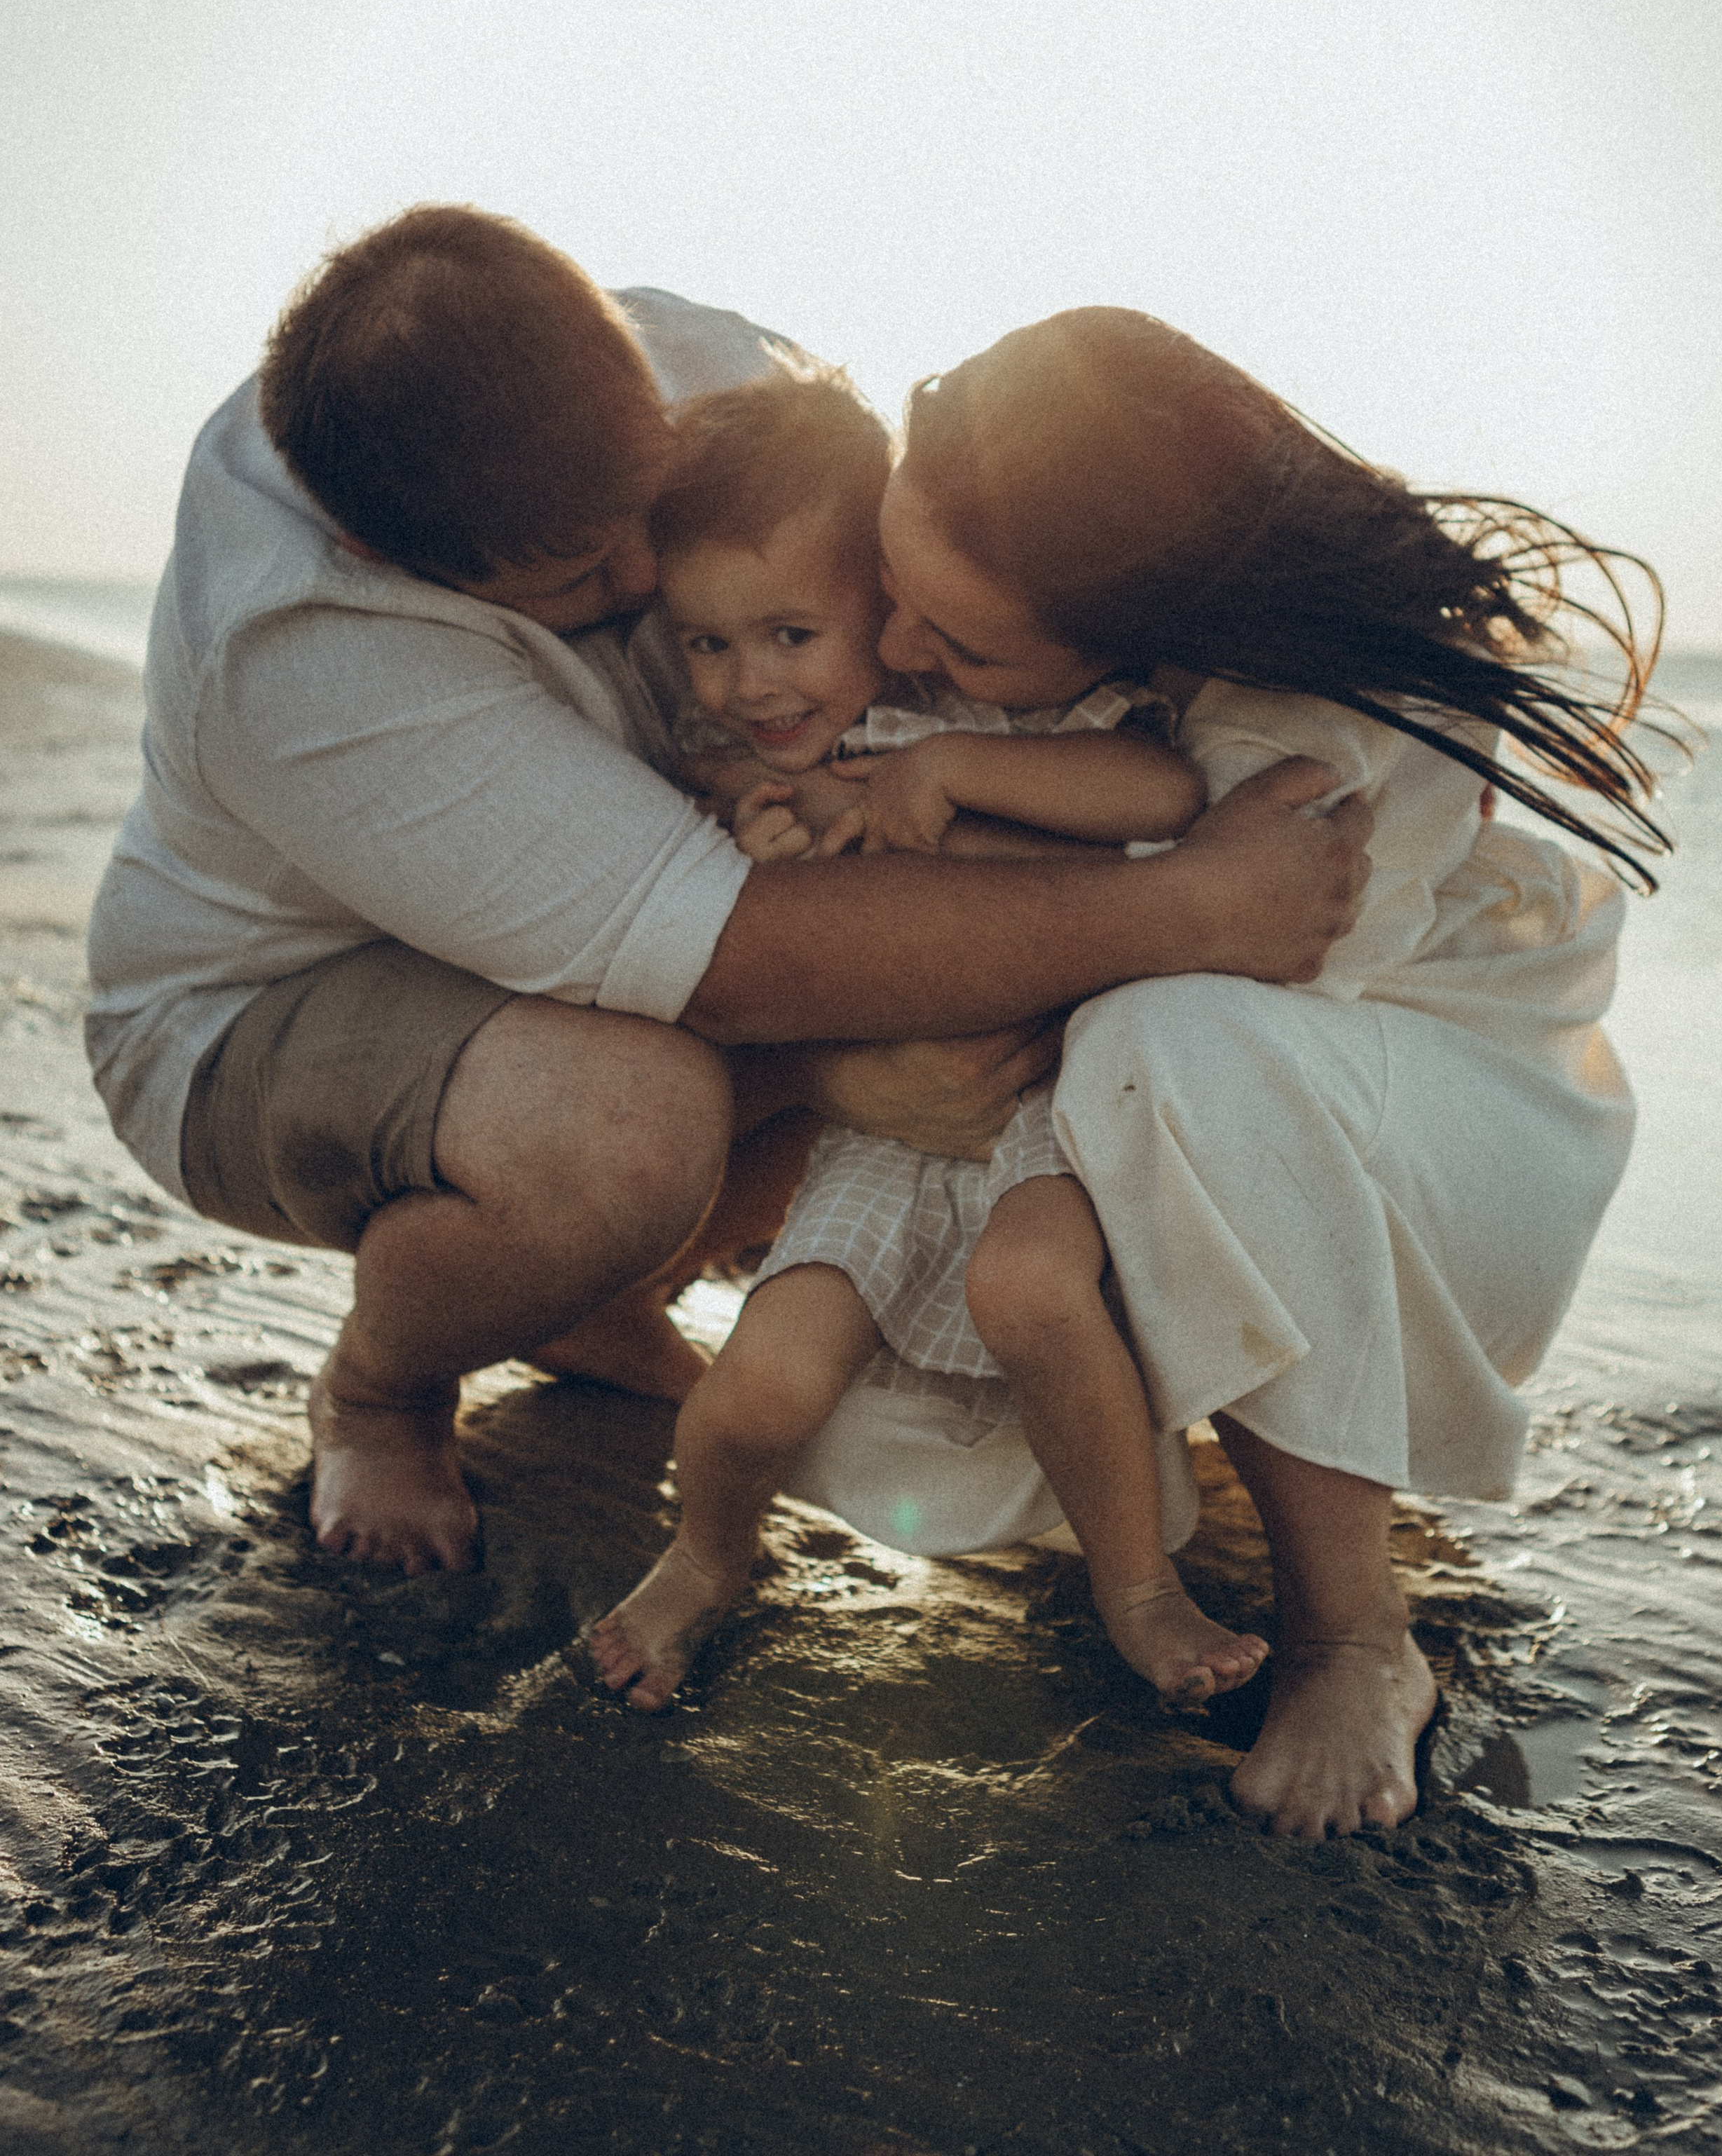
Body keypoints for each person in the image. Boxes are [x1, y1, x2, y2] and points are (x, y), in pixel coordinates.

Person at [83, 214, 1372, 1584]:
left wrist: (1362, 688)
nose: (643, 579)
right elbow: (740, 962)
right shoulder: (298, 644)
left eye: (645, 516)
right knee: (632, 1127)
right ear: (381, 549)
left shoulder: (704, 373)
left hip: (602, 941)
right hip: (260, 1015)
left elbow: (1000, 549)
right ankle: (382, 1384)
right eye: (581, 580)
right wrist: (1189, 909)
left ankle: (590, 1298)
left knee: (949, 1001)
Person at [792, 304, 1658, 1840]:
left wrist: (925, 825)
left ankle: (1352, 1637)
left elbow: (1222, 957)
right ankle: (1225, 1486)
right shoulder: (1084, 683)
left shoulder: (1319, 736)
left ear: (1144, 614)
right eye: (889, 591)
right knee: (876, 1439)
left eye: (960, 642)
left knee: (1156, 1037)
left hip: (1445, 1178)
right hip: (1276, 1123)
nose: (901, 653)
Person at [589, 362, 1269, 1714]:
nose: (750, 682)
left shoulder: (1013, 716)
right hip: (885, 1136)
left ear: (881, 602)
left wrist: (950, 774)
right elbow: (759, 923)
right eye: (709, 644)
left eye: (794, 634)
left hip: (1043, 1113)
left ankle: (1137, 1590)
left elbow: (1166, 789)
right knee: (756, 1390)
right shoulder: (801, 757)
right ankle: (702, 1556)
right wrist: (765, 831)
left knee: (1033, 1296)